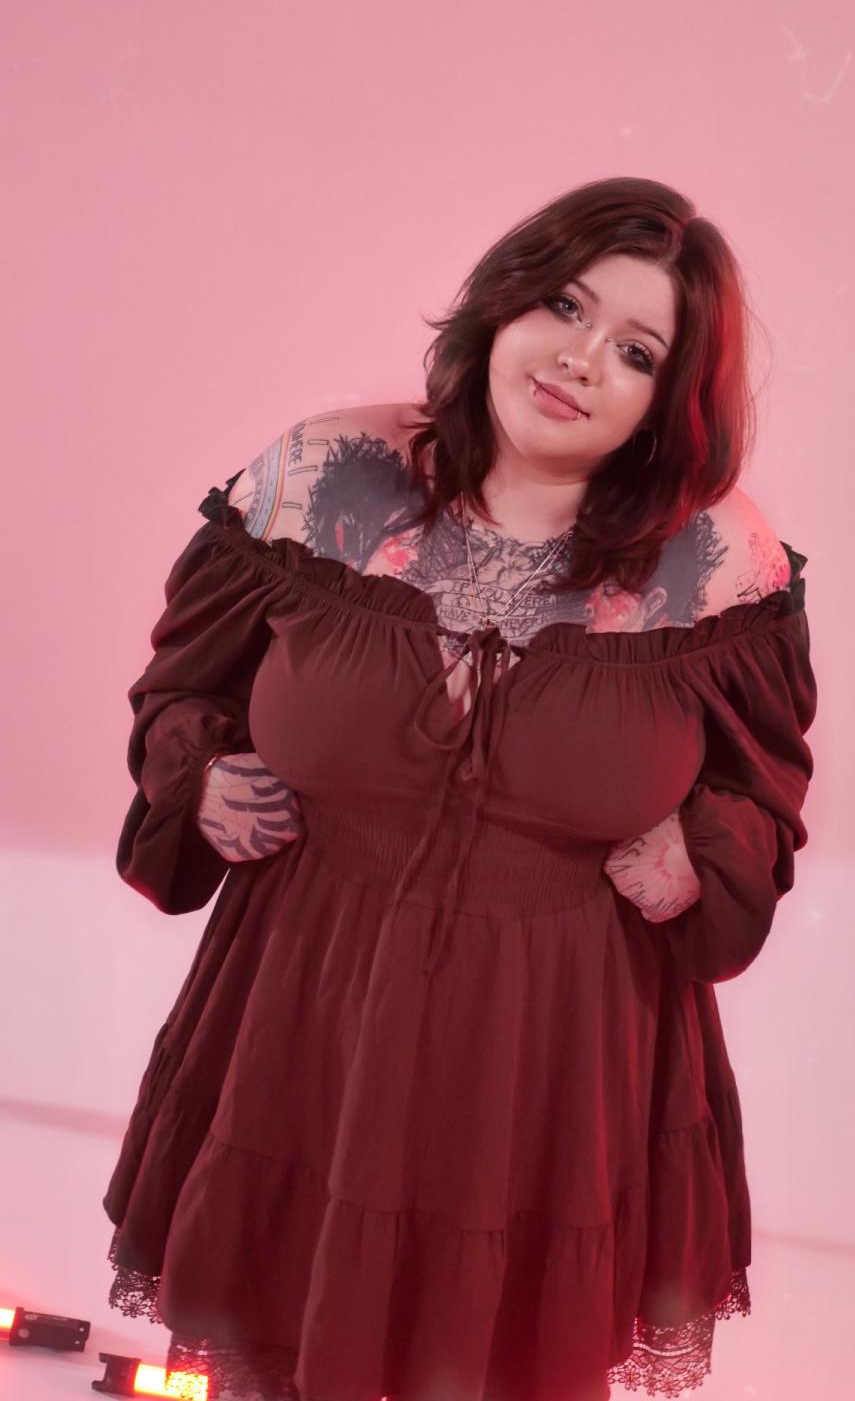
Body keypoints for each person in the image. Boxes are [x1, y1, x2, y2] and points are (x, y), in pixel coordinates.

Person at [103, 177, 818, 1401]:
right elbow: (178, 690)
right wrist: (200, 774)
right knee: (275, 1356)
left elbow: (766, 792)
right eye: (565, 307)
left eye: (636, 352)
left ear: (668, 403)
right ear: (503, 301)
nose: (580, 360)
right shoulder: (322, 479)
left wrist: (704, 851)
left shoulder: (718, 565)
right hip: (307, 1019)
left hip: (555, 1062)